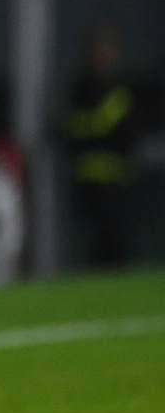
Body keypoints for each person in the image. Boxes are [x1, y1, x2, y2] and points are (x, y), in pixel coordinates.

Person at [64, 30, 141, 268]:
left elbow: (131, 133)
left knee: (119, 241)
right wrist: (109, 114)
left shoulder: (118, 87)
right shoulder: (84, 87)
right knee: (101, 241)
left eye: (111, 50)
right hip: (93, 177)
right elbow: (76, 127)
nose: (108, 55)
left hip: (118, 176)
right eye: (103, 49)